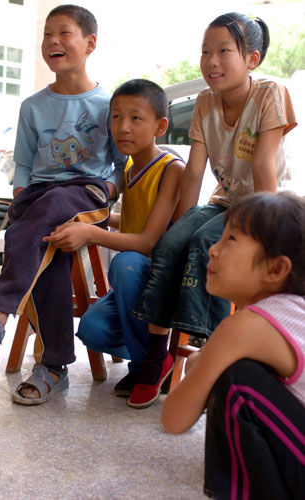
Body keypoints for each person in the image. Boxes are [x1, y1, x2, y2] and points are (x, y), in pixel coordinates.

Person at [128, 12, 297, 409]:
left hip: (267, 202)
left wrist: (263, 231)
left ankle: (212, 356)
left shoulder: (270, 94)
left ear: (252, 59)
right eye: (206, 51)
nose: (211, 61)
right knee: (173, 243)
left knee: (208, 242)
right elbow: (194, 171)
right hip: (225, 200)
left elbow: (263, 167)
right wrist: (179, 225)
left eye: (224, 51)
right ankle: (158, 356)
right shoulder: (205, 101)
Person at [0, 5, 126, 404]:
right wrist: (19, 207)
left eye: (64, 33)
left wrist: (111, 191)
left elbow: (119, 165)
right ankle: (53, 367)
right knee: (46, 240)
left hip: (87, 191)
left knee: (56, 204)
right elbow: (25, 167)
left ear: (90, 43)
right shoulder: (32, 107)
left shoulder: (109, 104)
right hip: (41, 195)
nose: (53, 41)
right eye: (47, 34)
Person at [44, 78, 185, 398]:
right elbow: (135, 220)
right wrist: (89, 221)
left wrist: (91, 233)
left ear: (160, 125)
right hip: (130, 286)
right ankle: (148, 356)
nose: (123, 127)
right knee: (91, 329)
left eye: (136, 118)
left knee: (126, 263)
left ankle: (147, 364)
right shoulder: (131, 168)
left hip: (160, 285)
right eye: (116, 116)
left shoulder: (170, 168)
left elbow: (149, 241)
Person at [161, 191, 305, 500]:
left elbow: (173, 418)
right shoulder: (292, 312)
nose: (213, 249)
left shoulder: (248, 326)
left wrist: (200, 363)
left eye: (231, 240)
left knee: (236, 383)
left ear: (276, 269)